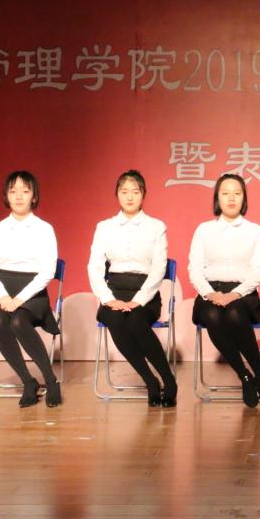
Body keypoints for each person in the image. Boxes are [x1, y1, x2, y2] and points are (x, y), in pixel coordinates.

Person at [0, 171, 61, 408]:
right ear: (6, 196)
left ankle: (51, 381)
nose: (19, 196)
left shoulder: (44, 229)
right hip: (1, 289)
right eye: (13, 191)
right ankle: (28, 382)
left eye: (25, 191)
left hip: (32, 292)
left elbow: (47, 271)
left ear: (34, 196)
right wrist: (2, 296)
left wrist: (19, 299)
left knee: (19, 321)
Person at [88, 170, 178, 407]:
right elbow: (94, 266)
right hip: (114, 291)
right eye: (124, 191)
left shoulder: (156, 227)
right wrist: (108, 299)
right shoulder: (104, 227)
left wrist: (139, 299)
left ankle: (169, 380)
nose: (129, 197)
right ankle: (150, 381)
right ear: (117, 194)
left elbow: (159, 268)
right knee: (115, 319)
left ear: (143, 194)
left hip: (146, 292)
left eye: (135, 192)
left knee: (136, 321)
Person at [189, 174, 260, 408]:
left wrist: (235, 294)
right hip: (210, 292)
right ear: (217, 198)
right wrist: (210, 294)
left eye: (237, 193)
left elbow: (259, 271)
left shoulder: (255, 231)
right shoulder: (204, 230)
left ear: (244, 198)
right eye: (225, 193)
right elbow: (194, 269)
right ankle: (245, 376)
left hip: (243, 294)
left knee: (235, 313)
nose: (231, 198)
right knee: (212, 314)